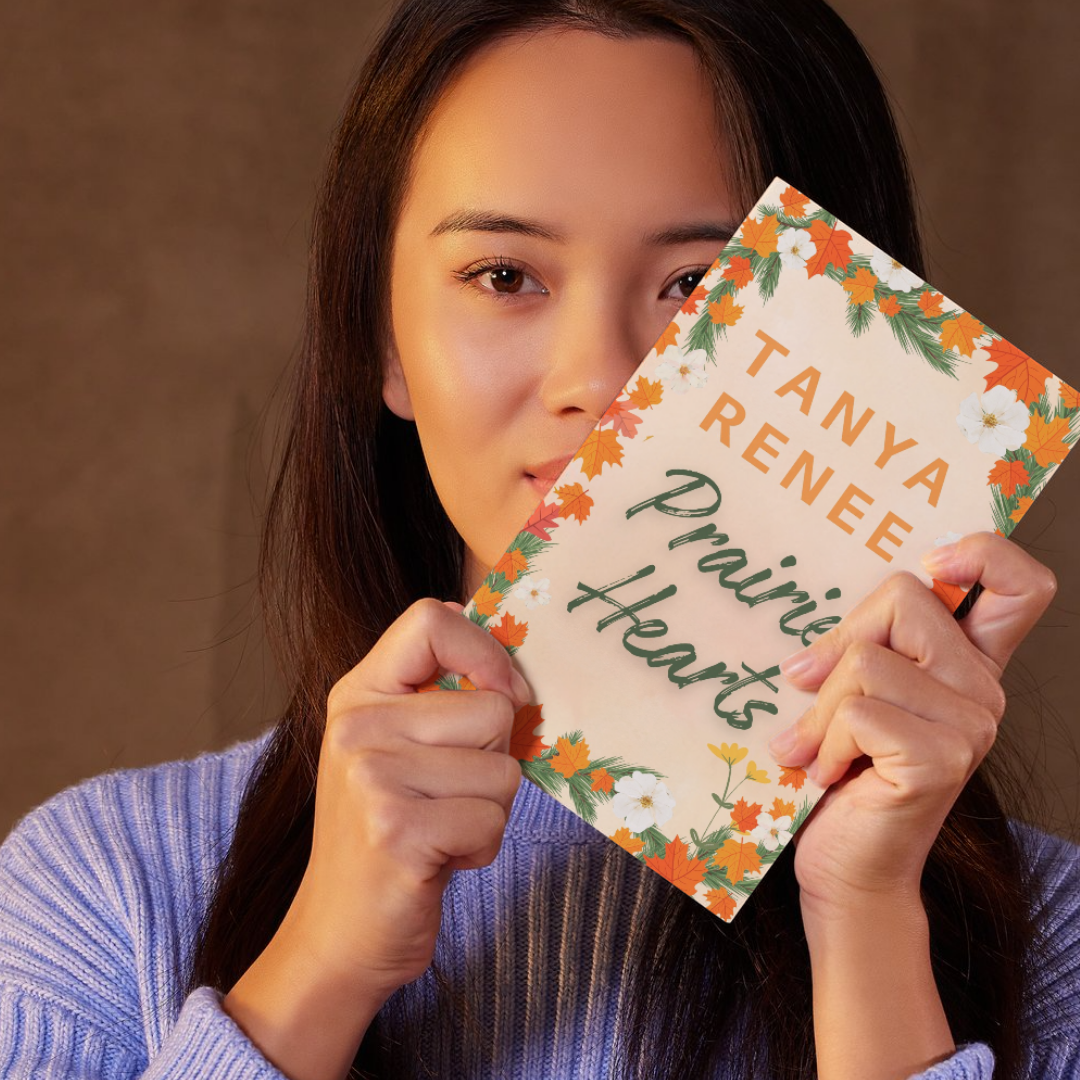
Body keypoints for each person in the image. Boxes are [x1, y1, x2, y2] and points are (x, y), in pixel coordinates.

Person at [1, 1, 1078, 1077]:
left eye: (695, 285)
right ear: (385, 342)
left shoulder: (1056, 941)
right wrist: (316, 969)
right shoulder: (104, 889)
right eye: (505, 277)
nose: (600, 382)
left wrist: (868, 917)